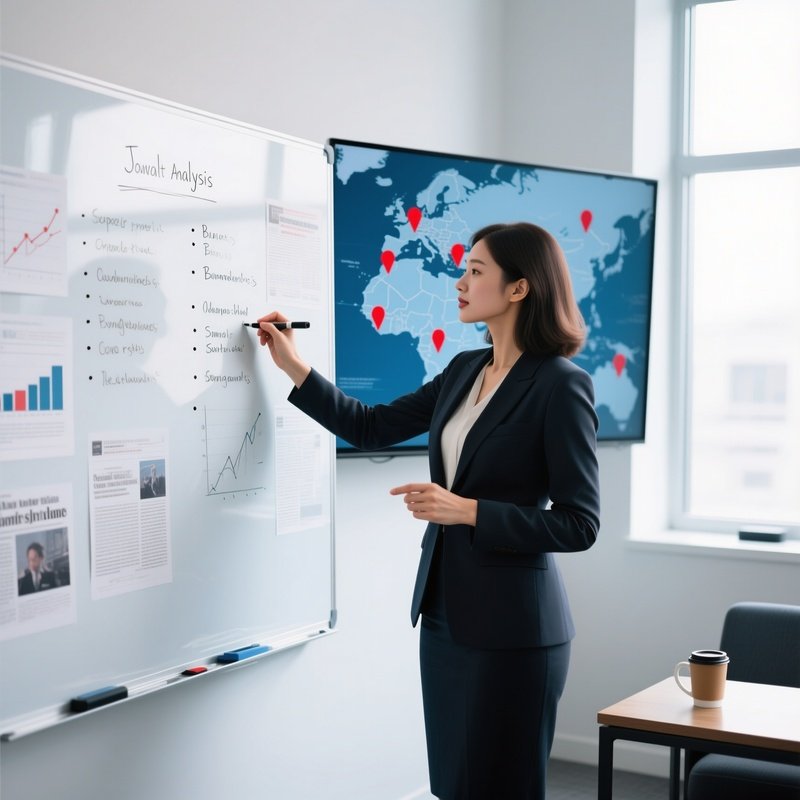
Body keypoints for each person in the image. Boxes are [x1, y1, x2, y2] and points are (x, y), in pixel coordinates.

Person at [258, 221, 600, 799]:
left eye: (475, 270)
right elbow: (370, 427)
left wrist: (468, 511)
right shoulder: (465, 369)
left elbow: (579, 523)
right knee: (455, 784)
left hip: (515, 632)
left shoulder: (561, 386)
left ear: (519, 288)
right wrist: (293, 364)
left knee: (502, 787)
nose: (458, 281)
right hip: (446, 617)